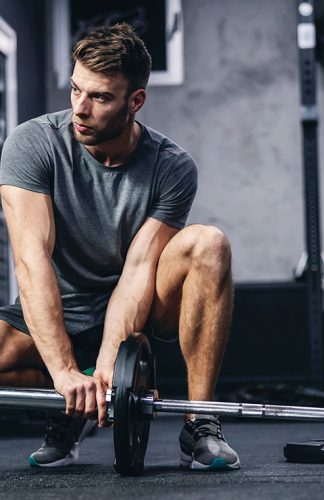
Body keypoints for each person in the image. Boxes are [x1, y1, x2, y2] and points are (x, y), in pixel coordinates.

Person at [0, 23, 240, 471]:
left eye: (100, 98)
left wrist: (112, 359)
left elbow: (140, 266)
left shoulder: (171, 167)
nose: (80, 108)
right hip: (62, 302)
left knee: (209, 243)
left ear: (136, 101)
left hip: (140, 301)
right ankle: (70, 408)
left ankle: (201, 422)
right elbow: (31, 261)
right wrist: (65, 375)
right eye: (75, 90)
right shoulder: (32, 144)